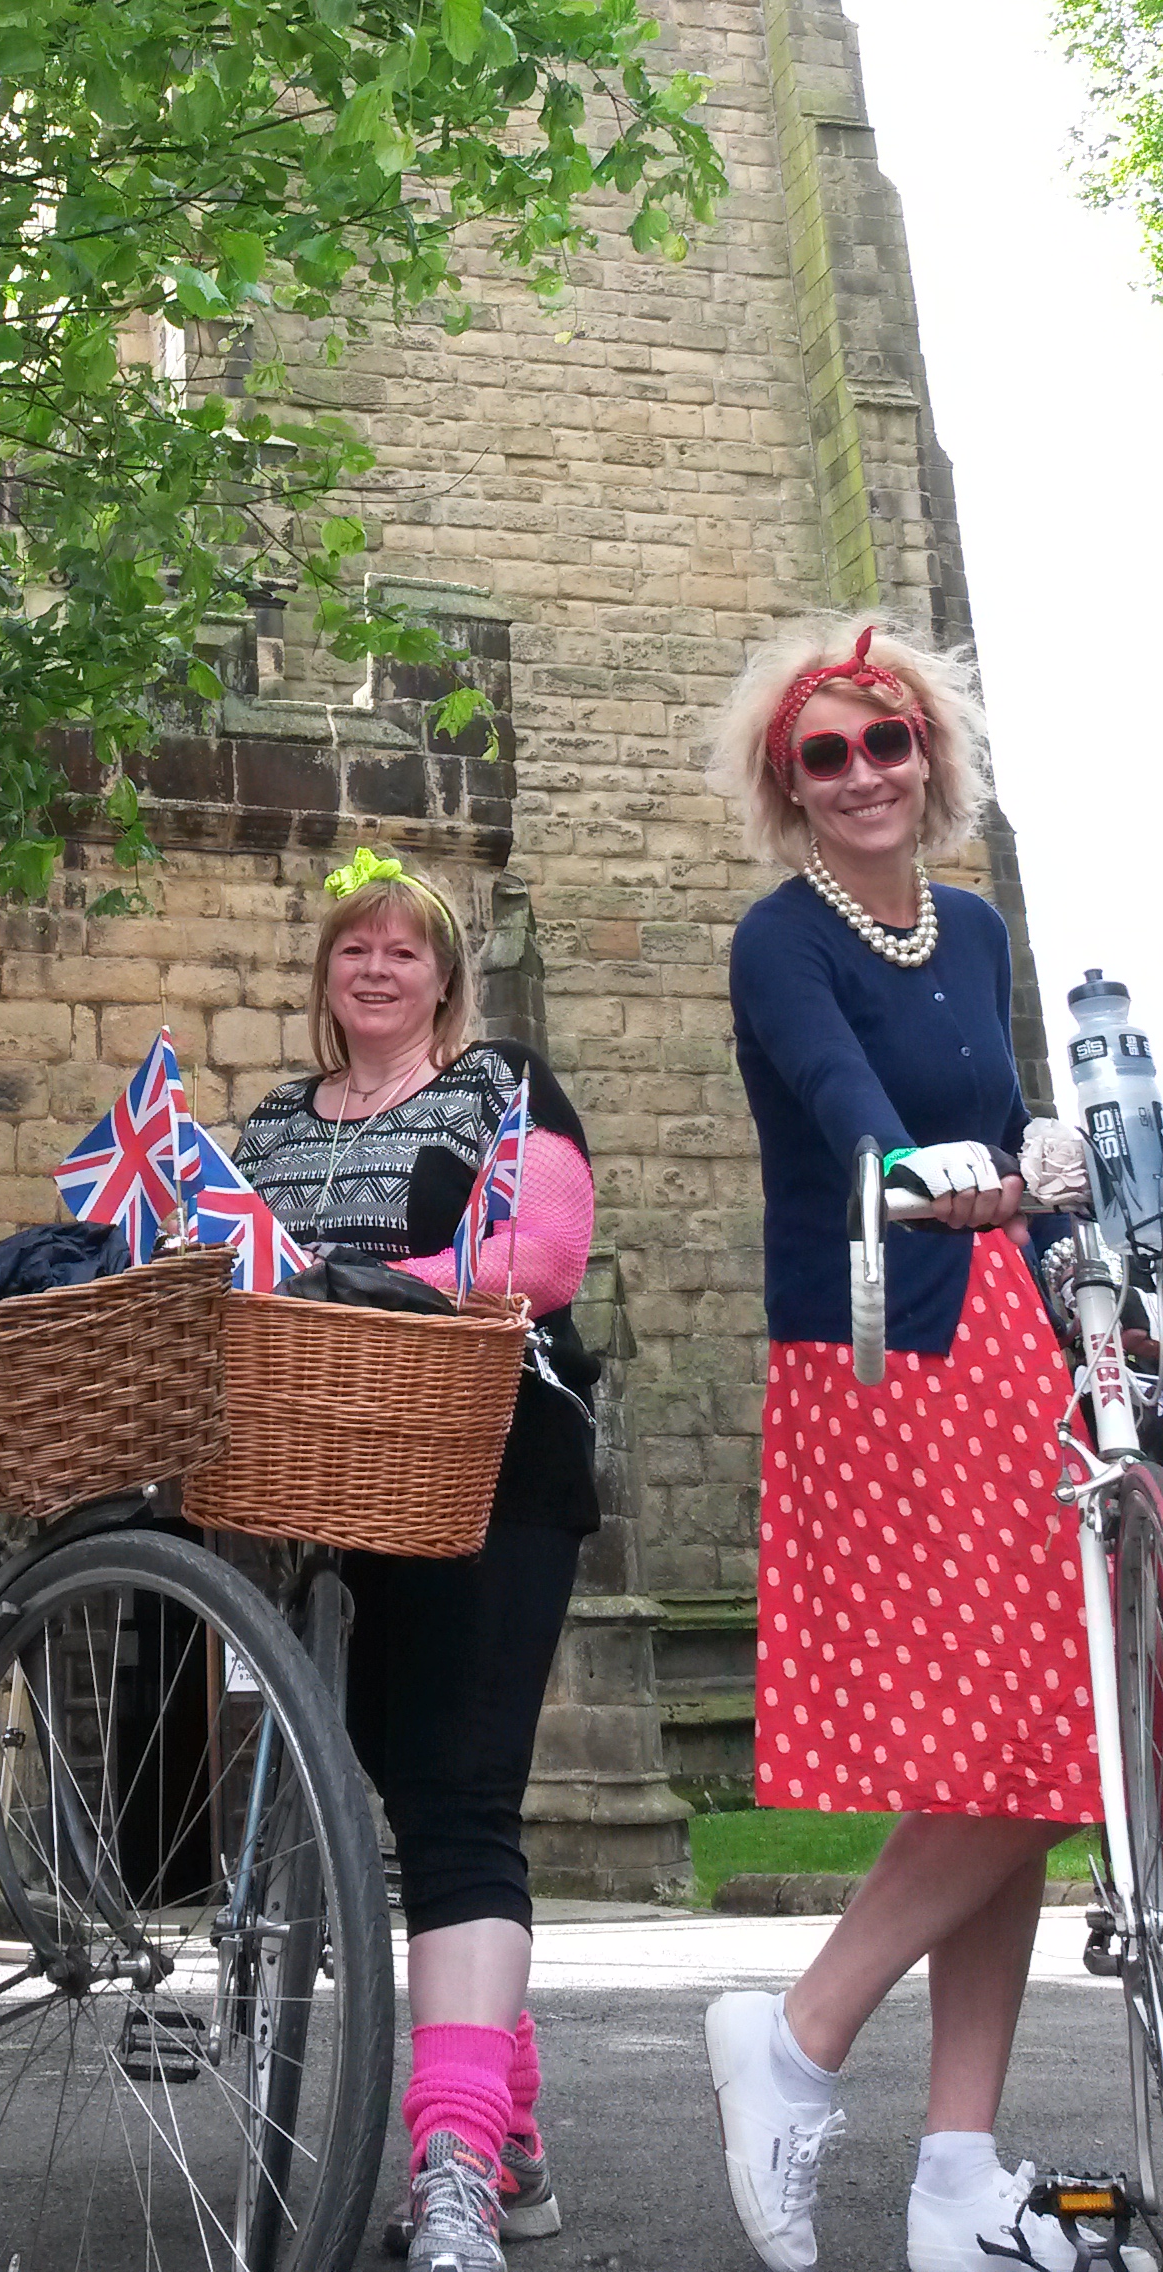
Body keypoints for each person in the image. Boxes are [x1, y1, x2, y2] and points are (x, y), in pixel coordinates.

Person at [701, 619, 1116, 2272]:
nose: (865, 772)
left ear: (928, 756)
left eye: (889, 742)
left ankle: (957, 2173)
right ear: (790, 786)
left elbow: (997, 1115)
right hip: (878, 1354)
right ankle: (800, 2031)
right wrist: (922, 1169)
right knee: (1036, 1731)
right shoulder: (778, 940)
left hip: (1007, 1342)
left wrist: (1048, 1182)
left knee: (1019, 1742)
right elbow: (844, 1107)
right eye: (828, 753)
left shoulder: (976, 924)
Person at [232, 849, 599, 2272]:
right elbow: (225, 1269)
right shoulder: (271, 1123)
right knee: (411, 1793)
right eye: (354, 949)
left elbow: (541, 1260)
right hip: (323, 1481)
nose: (376, 968)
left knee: (455, 1802)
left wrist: (372, 1288)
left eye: (404, 950)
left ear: (445, 979)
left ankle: (453, 2169)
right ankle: (508, 2125)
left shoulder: (505, 1089)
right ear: (325, 977)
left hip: (490, 1463)